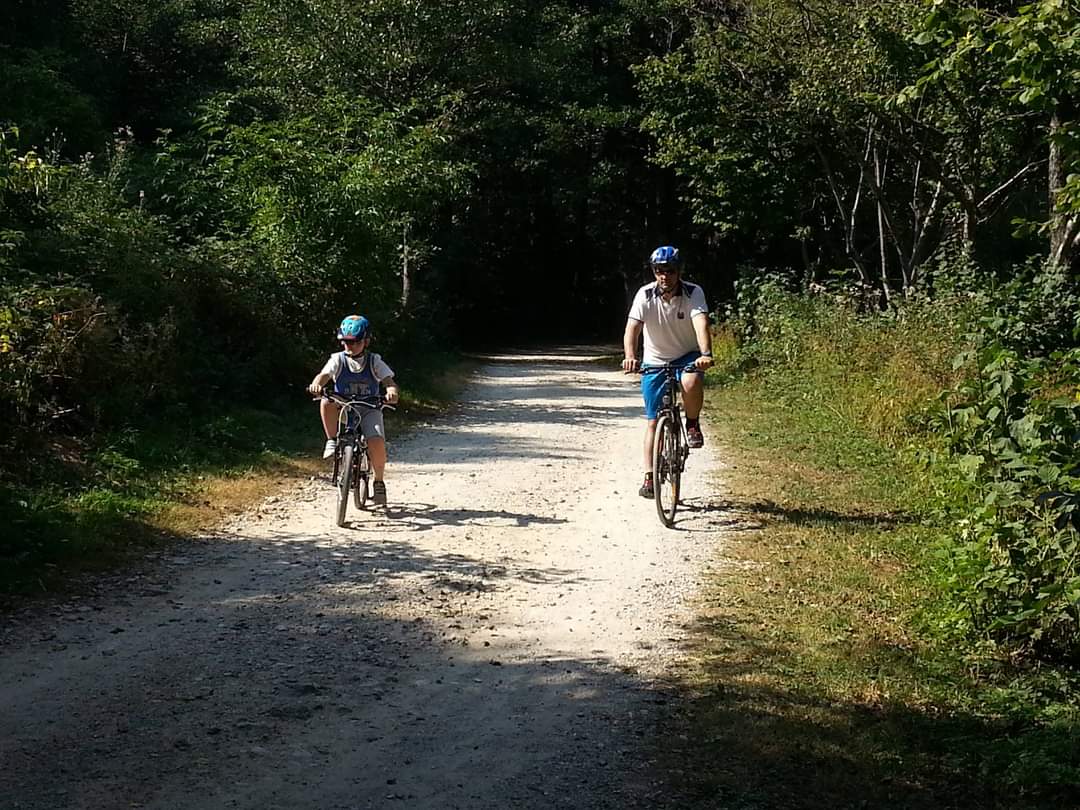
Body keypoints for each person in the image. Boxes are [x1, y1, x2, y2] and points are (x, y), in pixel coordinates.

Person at [621, 245, 713, 498]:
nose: (665, 276)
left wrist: (705, 354)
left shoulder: (693, 292)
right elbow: (632, 329)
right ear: (654, 272)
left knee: (691, 382)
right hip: (655, 360)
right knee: (653, 422)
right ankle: (649, 477)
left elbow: (701, 323)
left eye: (670, 270)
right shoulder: (645, 294)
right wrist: (630, 356)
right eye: (659, 271)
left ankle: (692, 423)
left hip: (687, 355)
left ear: (679, 271)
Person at [307, 315, 400, 505]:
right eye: (346, 342)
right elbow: (323, 375)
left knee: (376, 441)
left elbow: (389, 381)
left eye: (355, 342)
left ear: (366, 341)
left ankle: (379, 481)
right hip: (344, 406)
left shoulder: (374, 361)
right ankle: (332, 440)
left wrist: (391, 392)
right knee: (325, 401)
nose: (350, 346)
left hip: (369, 408)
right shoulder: (337, 359)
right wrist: (317, 385)